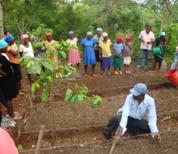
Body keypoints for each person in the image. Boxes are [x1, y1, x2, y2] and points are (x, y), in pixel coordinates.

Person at [0, 40, 18, 118]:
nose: (7, 48)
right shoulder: (0, 57)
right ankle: (12, 116)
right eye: (5, 47)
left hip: (7, 79)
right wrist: (5, 74)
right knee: (8, 99)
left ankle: (12, 114)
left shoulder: (2, 55)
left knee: (9, 97)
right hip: (6, 81)